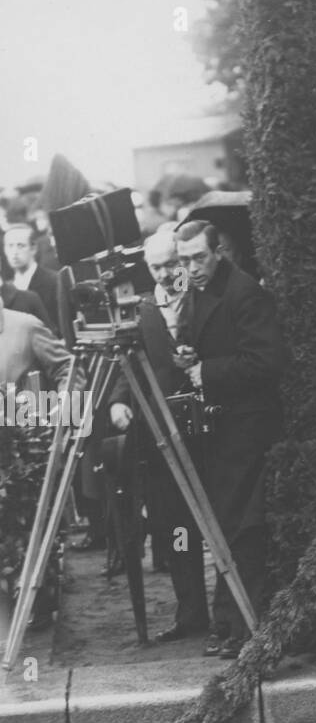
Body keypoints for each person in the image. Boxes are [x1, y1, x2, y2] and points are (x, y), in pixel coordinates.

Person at [174, 219, 289, 658]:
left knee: (243, 527)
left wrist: (209, 371)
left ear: (218, 251)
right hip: (222, 429)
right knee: (224, 524)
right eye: (184, 261)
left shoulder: (245, 292)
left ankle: (241, 626)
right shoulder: (200, 291)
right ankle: (228, 624)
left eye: (198, 258)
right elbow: (212, 343)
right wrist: (190, 354)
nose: (192, 268)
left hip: (247, 426)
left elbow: (268, 362)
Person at [110, 229, 209, 642]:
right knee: (175, 526)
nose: (167, 273)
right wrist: (119, 400)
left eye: (173, 264)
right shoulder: (143, 307)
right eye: (157, 267)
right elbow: (128, 363)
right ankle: (192, 615)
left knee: (218, 518)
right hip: (161, 435)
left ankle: (233, 611)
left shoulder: (204, 298)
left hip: (208, 430)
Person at [2, 223, 60, 335]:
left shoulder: (54, 281)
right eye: (10, 246)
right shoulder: (7, 288)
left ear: (33, 248)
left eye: (20, 246)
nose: (14, 252)